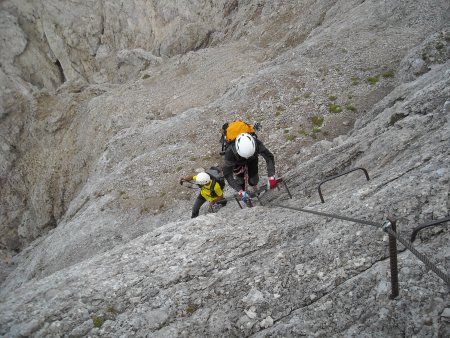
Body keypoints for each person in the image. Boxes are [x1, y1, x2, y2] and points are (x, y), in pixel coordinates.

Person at [222, 132, 277, 203]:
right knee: (240, 180)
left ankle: (253, 185)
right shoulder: (230, 153)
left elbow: (269, 157)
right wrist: (240, 191)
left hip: (252, 159)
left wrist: (271, 176)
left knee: (254, 180)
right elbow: (228, 175)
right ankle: (243, 190)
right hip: (236, 162)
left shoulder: (256, 143)